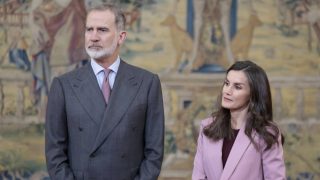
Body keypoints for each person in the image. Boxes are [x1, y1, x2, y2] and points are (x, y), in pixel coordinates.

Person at [45, 4, 164, 180]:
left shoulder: (147, 83)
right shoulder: (63, 85)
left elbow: (154, 153)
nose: (93, 37)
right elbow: (55, 154)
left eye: (102, 30)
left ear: (121, 37)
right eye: (89, 30)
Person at [192, 60, 286, 180]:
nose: (227, 91)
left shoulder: (267, 133)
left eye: (237, 87)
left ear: (253, 94)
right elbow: (198, 176)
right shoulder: (207, 127)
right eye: (226, 83)